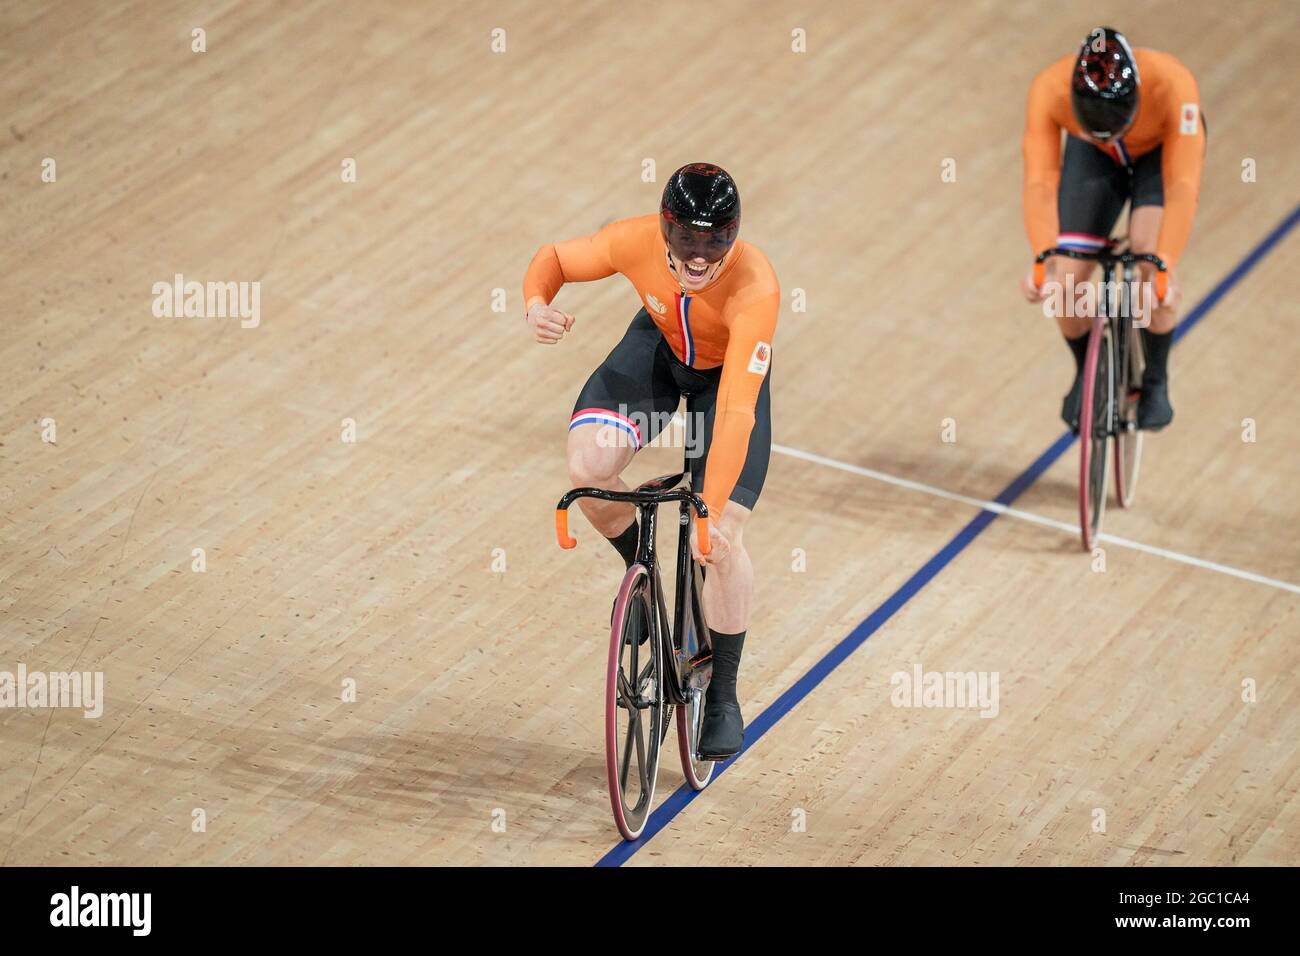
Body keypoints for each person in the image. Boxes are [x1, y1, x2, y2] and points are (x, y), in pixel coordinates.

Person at [523, 163, 779, 760]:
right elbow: (556, 259)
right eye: (688, 238)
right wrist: (536, 302)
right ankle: (638, 574)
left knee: (719, 540)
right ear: (665, 229)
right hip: (659, 354)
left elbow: (738, 413)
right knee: (589, 470)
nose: (700, 255)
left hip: (726, 390)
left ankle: (724, 694)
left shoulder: (756, 287)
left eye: (716, 239)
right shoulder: (633, 239)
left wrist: (712, 512)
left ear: (735, 233)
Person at [1021, 26, 1205, 431]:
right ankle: (1088, 371)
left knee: (1148, 263)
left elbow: (1182, 186)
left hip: (1159, 156)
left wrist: (1165, 263)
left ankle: (1155, 379)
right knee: (1064, 285)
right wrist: (1043, 255)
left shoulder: (1174, 86)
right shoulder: (1048, 89)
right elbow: (1039, 182)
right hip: (1095, 156)